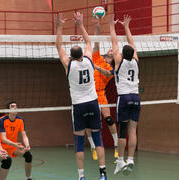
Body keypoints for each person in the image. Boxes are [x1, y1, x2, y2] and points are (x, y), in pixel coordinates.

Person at [55, 12, 107, 180]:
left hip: (78, 106)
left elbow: (58, 46)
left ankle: (82, 177)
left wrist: (60, 26)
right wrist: (81, 24)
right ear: (82, 55)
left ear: (71, 56)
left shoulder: (68, 65)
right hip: (93, 103)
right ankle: (103, 174)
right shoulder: (89, 60)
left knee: (79, 142)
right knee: (97, 138)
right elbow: (88, 41)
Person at [95, 14, 140, 175]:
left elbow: (114, 41)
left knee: (123, 130)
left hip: (125, 97)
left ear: (121, 54)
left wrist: (112, 25)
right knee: (133, 130)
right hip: (136, 97)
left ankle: (120, 160)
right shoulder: (136, 60)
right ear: (132, 52)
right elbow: (131, 42)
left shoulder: (118, 61)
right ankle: (131, 159)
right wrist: (127, 26)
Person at [86, 20, 118, 161]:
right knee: (88, 122)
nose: (112, 50)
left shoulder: (112, 69)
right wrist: (97, 28)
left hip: (100, 94)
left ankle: (117, 145)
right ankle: (93, 146)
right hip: (88, 93)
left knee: (109, 119)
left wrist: (96, 68)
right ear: (106, 53)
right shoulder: (97, 57)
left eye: (113, 50)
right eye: (110, 50)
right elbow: (96, 42)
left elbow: (106, 74)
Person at [0, 101, 33, 180]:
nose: (15, 107)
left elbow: (24, 135)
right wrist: (16, 145)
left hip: (13, 145)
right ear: (8, 110)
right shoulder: (2, 120)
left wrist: (27, 145)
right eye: (13, 106)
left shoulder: (20, 120)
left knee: (28, 155)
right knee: (6, 161)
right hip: (1, 146)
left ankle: (28, 178)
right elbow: (3, 139)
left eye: (16, 106)